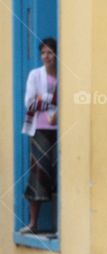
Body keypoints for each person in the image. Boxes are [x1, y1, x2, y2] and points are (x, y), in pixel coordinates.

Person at [20, 37, 58, 235]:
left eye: (50, 52)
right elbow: (29, 103)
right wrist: (52, 103)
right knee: (38, 174)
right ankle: (33, 223)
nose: (47, 56)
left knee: (57, 175)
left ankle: (58, 225)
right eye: (43, 52)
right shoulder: (35, 75)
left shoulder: (62, 77)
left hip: (59, 132)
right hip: (40, 131)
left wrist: (57, 111)